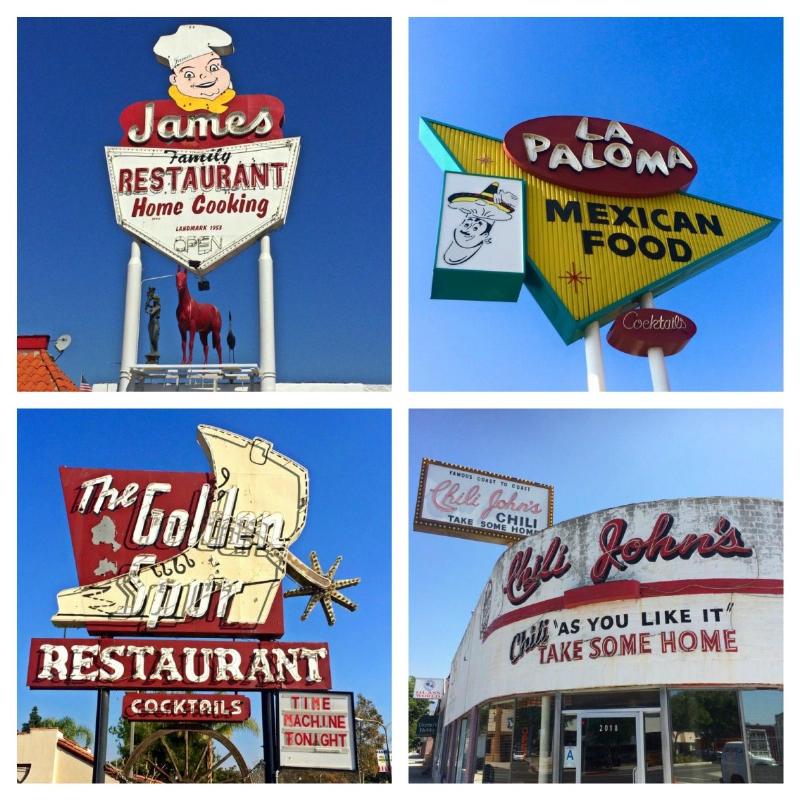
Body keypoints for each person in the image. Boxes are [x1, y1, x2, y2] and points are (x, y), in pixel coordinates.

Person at [153, 24, 236, 113]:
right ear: (174, 79)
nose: (204, 76)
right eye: (189, 74)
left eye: (213, 68)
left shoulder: (230, 96)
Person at [145, 286, 161, 355]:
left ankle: (155, 351)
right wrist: (148, 302)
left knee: (154, 338)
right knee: (151, 338)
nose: (154, 302)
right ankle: (152, 352)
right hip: (151, 323)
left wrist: (148, 309)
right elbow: (148, 306)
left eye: (155, 301)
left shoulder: (158, 307)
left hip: (155, 322)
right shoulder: (153, 307)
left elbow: (152, 312)